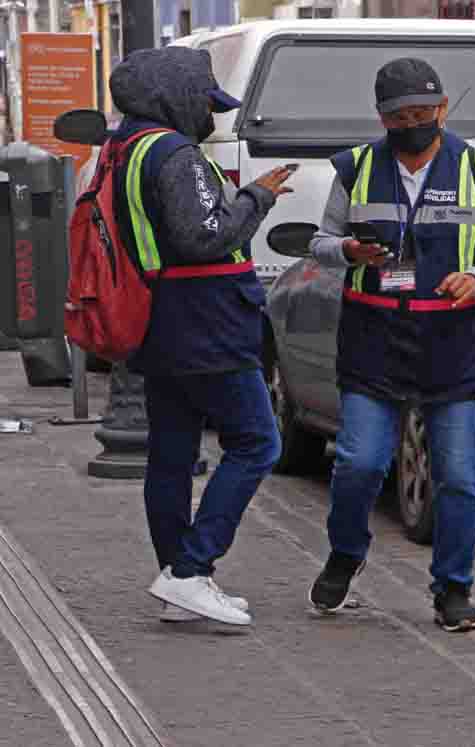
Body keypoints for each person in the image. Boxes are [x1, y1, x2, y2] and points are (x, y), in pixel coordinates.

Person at [308, 58, 475, 631]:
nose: (413, 124)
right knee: (358, 464)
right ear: (381, 118)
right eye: (400, 115)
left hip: (453, 341)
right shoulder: (355, 168)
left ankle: (453, 589)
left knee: (457, 475)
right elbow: (320, 241)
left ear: (443, 110)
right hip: (374, 338)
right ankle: (346, 554)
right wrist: (346, 253)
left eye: (424, 113)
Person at [109, 47, 294, 626]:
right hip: (207, 323)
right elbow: (203, 237)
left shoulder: (124, 146)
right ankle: (190, 570)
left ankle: (180, 582)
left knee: (171, 454)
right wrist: (257, 196)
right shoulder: (174, 152)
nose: (210, 117)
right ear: (177, 98)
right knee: (257, 442)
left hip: (159, 319)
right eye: (206, 104)